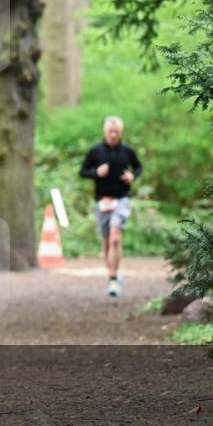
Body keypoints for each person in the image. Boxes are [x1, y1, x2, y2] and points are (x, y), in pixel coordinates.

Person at [79, 116, 142, 298]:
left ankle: (113, 279)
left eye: (116, 132)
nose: (113, 135)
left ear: (120, 132)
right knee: (107, 243)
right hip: (102, 201)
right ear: (105, 132)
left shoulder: (127, 151)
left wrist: (132, 176)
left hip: (122, 198)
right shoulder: (95, 151)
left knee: (115, 237)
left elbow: (138, 168)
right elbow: (83, 172)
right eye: (110, 131)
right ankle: (112, 273)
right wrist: (96, 173)